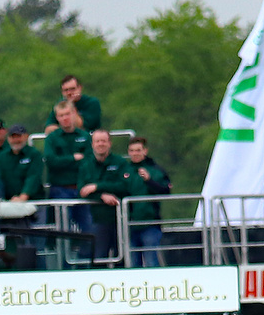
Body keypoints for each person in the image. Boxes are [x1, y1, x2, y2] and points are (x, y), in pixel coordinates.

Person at [77, 129, 136, 263]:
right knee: (98, 259)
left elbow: (125, 186)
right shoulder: (86, 165)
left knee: (121, 258)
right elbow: (82, 191)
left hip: (119, 218)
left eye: (103, 141)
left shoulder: (120, 163)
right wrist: (102, 196)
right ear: (92, 144)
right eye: (97, 141)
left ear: (109, 143)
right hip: (96, 219)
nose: (100, 144)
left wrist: (97, 187)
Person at [42, 102, 91, 229]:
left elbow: (89, 162)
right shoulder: (52, 138)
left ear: (74, 113)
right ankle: (63, 249)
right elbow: (51, 162)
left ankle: (87, 250)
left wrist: (63, 161)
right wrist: (73, 158)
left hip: (82, 189)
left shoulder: (85, 136)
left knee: (88, 228)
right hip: (60, 189)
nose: (65, 118)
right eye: (61, 115)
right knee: (63, 229)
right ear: (57, 118)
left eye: (67, 114)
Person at [125, 137, 171, 267]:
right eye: (132, 150)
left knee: (151, 261)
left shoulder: (156, 170)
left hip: (150, 224)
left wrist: (149, 180)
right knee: (133, 263)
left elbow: (165, 191)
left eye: (138, 150)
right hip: (129, 225)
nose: (135, 153)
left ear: (145, 151)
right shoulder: (124, 170)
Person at [0, 125, 43, 202]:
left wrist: (24, 196)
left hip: (34, 202)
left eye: (18, 136)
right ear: (8, 139)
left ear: (26, 136)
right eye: (12, 137)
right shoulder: (2, 156)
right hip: (9, 202)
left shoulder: (34, 154)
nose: (16, 140)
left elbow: (33, 177)